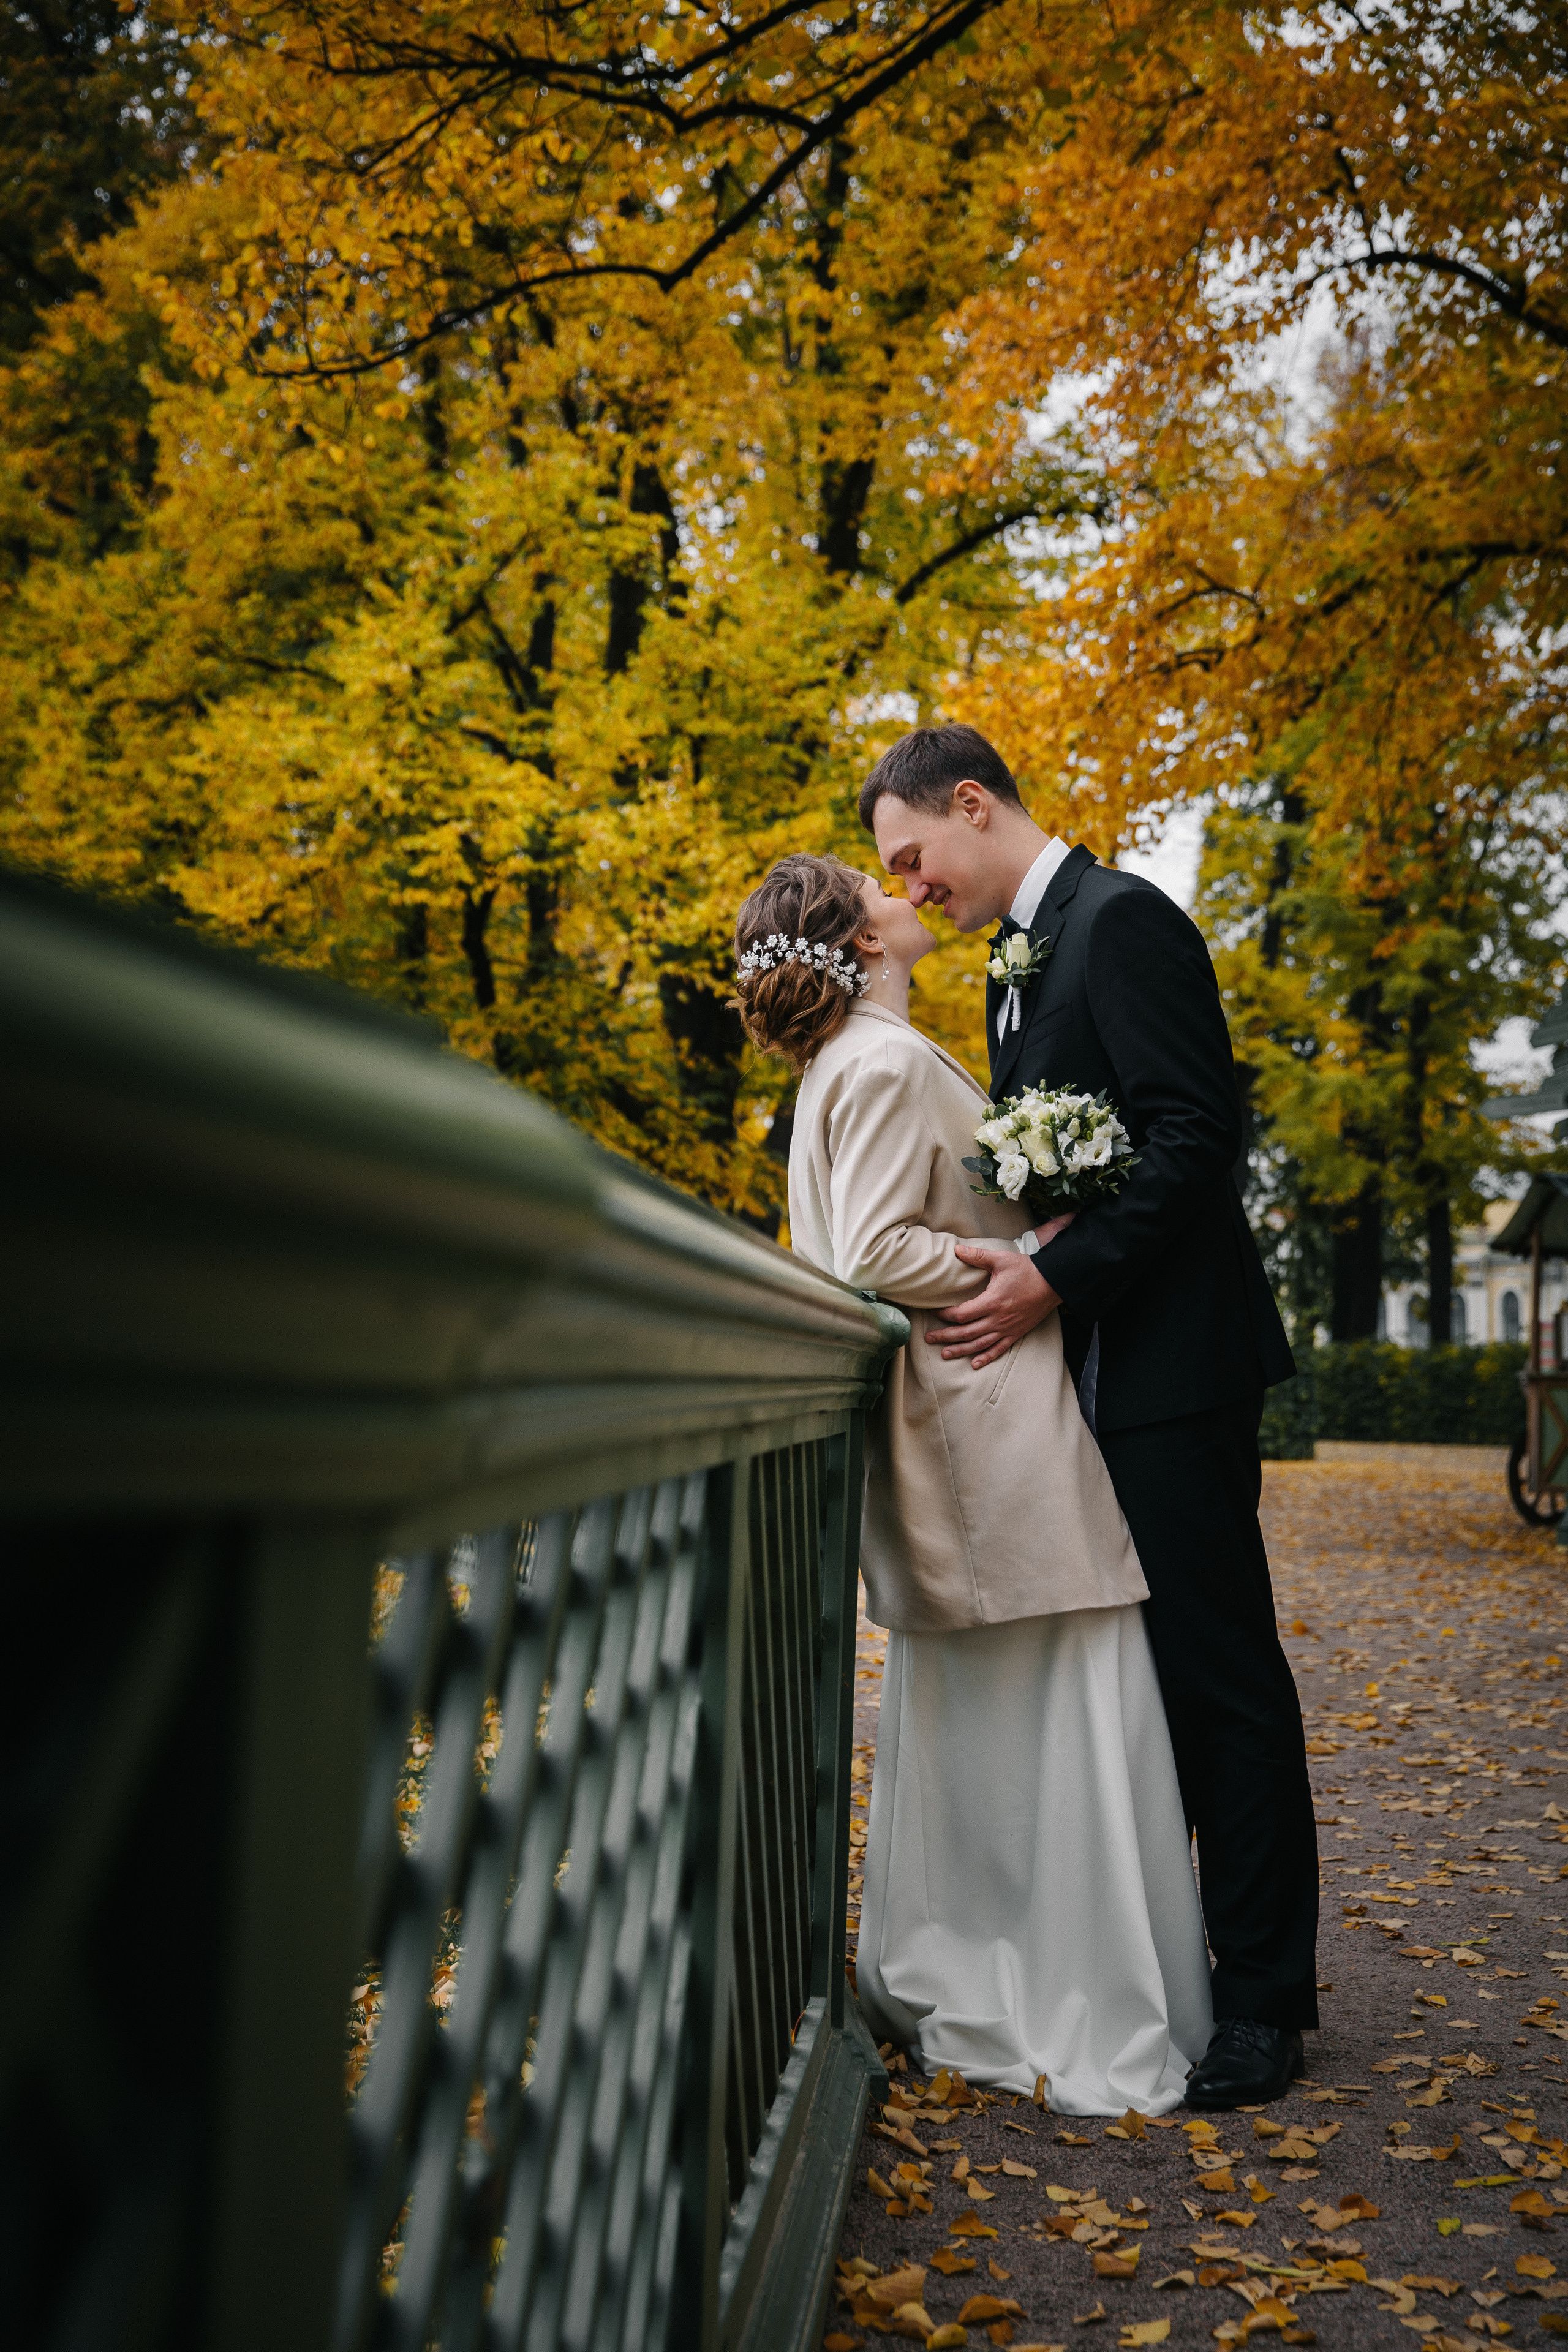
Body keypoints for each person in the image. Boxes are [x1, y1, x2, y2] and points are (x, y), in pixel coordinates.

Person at [860, 722, 1316, 2108]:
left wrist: (1051, 1276)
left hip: (1173, 1369)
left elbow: (1191, 1138)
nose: (910, 886)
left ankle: (1260, 2001)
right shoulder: (1015, 959)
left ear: (971, 802)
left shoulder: (1119, 923)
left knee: (1219, 1680)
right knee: (1150, 1690)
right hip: (1102, 1381)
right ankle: (1172, 1969)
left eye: (910, 855)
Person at [733, 851, 1214, 2114]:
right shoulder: (882, 1064)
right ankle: (1069, 1991)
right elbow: (877, 1250)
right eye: (877, 880)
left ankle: (998, 1964)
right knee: (1070, 1703)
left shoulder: (850, 1064)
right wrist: (1031, 1251)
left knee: (1016, 1729)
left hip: (967, 1420)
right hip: (985, 1423)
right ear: (859, 934)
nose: (905, 888)